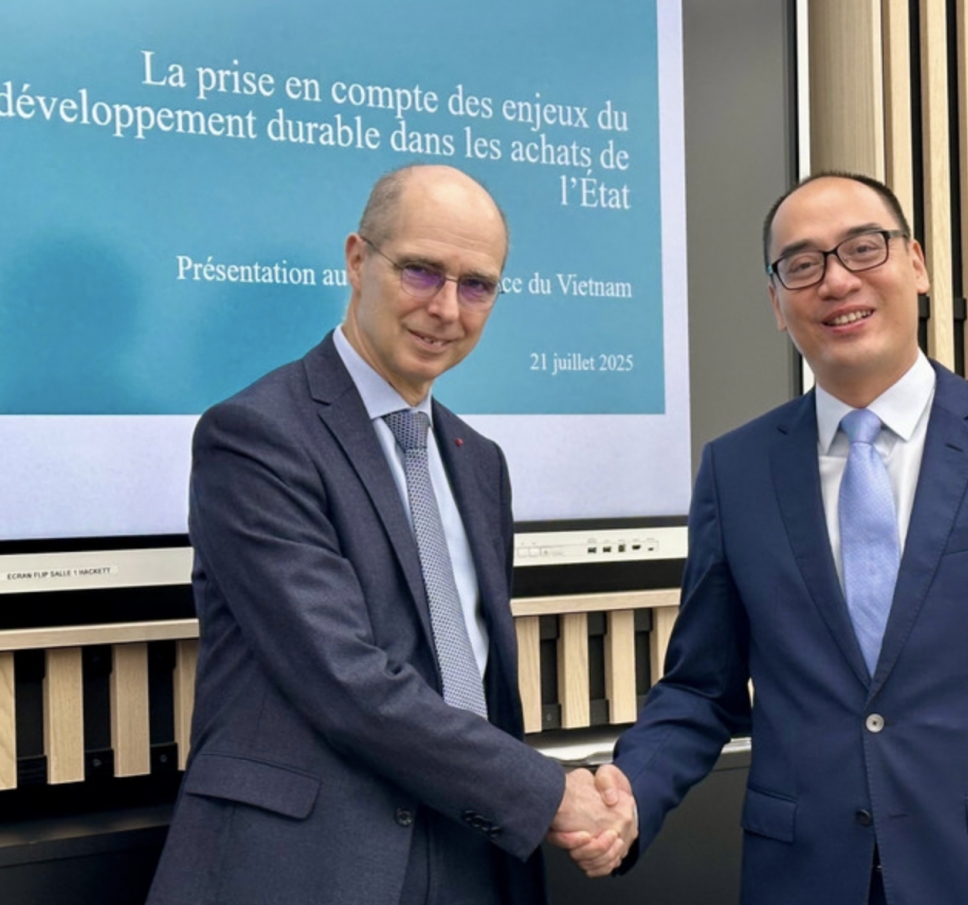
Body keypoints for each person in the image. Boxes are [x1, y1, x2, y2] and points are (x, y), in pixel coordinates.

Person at [568, 172, 968, 903]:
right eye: (802, 264)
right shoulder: (736, 470)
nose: (836, 280)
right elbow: (701, 686)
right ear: (777, 303)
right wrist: (629, 794)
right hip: (803, 878)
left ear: (916, 263)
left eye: (864, 248)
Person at [146, 163, 632, 905]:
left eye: (477, 285)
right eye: (421, 271)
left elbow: (476, 681)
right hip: (310, 867)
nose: (446, 308)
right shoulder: (255, 436)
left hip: (474, 849)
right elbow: (343, 677)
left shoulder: (480, 461)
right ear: (356, 259)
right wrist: (548, 795)